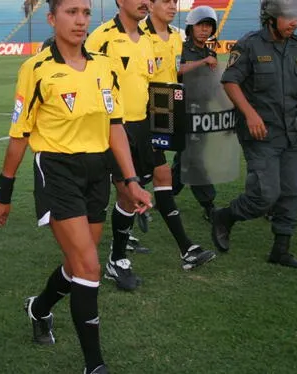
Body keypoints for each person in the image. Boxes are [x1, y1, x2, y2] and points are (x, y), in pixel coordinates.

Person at [0, 0, 151, 372]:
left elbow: (115, 127)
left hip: (97, 172)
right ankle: (94, 364)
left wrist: (130, 181)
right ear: (52, 18)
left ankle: (39, 307)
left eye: (85, 13)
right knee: (89, 266)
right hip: (57, 170)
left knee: (79, 263)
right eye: (71, 12)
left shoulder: (104, 66)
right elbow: (19, 135)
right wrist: (3, 193)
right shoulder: (36, 69)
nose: (80, 21)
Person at [86, 0, 215, 291]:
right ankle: (117, 259)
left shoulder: (147, 40)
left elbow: (155, 87)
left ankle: (184, 249)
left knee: (159, 179)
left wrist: (166, 126)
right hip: (113, 129)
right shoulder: (101, 37)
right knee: (129, 195)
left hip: (144, 126)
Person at [211, 0, 297, 269]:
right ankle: (225, 216)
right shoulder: (249, 44)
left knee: (294, 189)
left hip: (289, 133)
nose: (295, 22)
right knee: (265, 194)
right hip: (260, 134)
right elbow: (230, 81)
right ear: (271, 17)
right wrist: (250, 114)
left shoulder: (296, 46)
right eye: (288, 16)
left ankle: (280, 250)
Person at [170, 5, 218, 222]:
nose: (204, 30)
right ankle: (209, 204)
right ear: (191, 27)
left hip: (204, 113)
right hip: (184, 112)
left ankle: (166, 194)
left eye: (208, 26)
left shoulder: (211, 53)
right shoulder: (180, 48)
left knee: (185, 158)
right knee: (195, 158)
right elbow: (177, 71)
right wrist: (202, 62)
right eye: (200, 25)